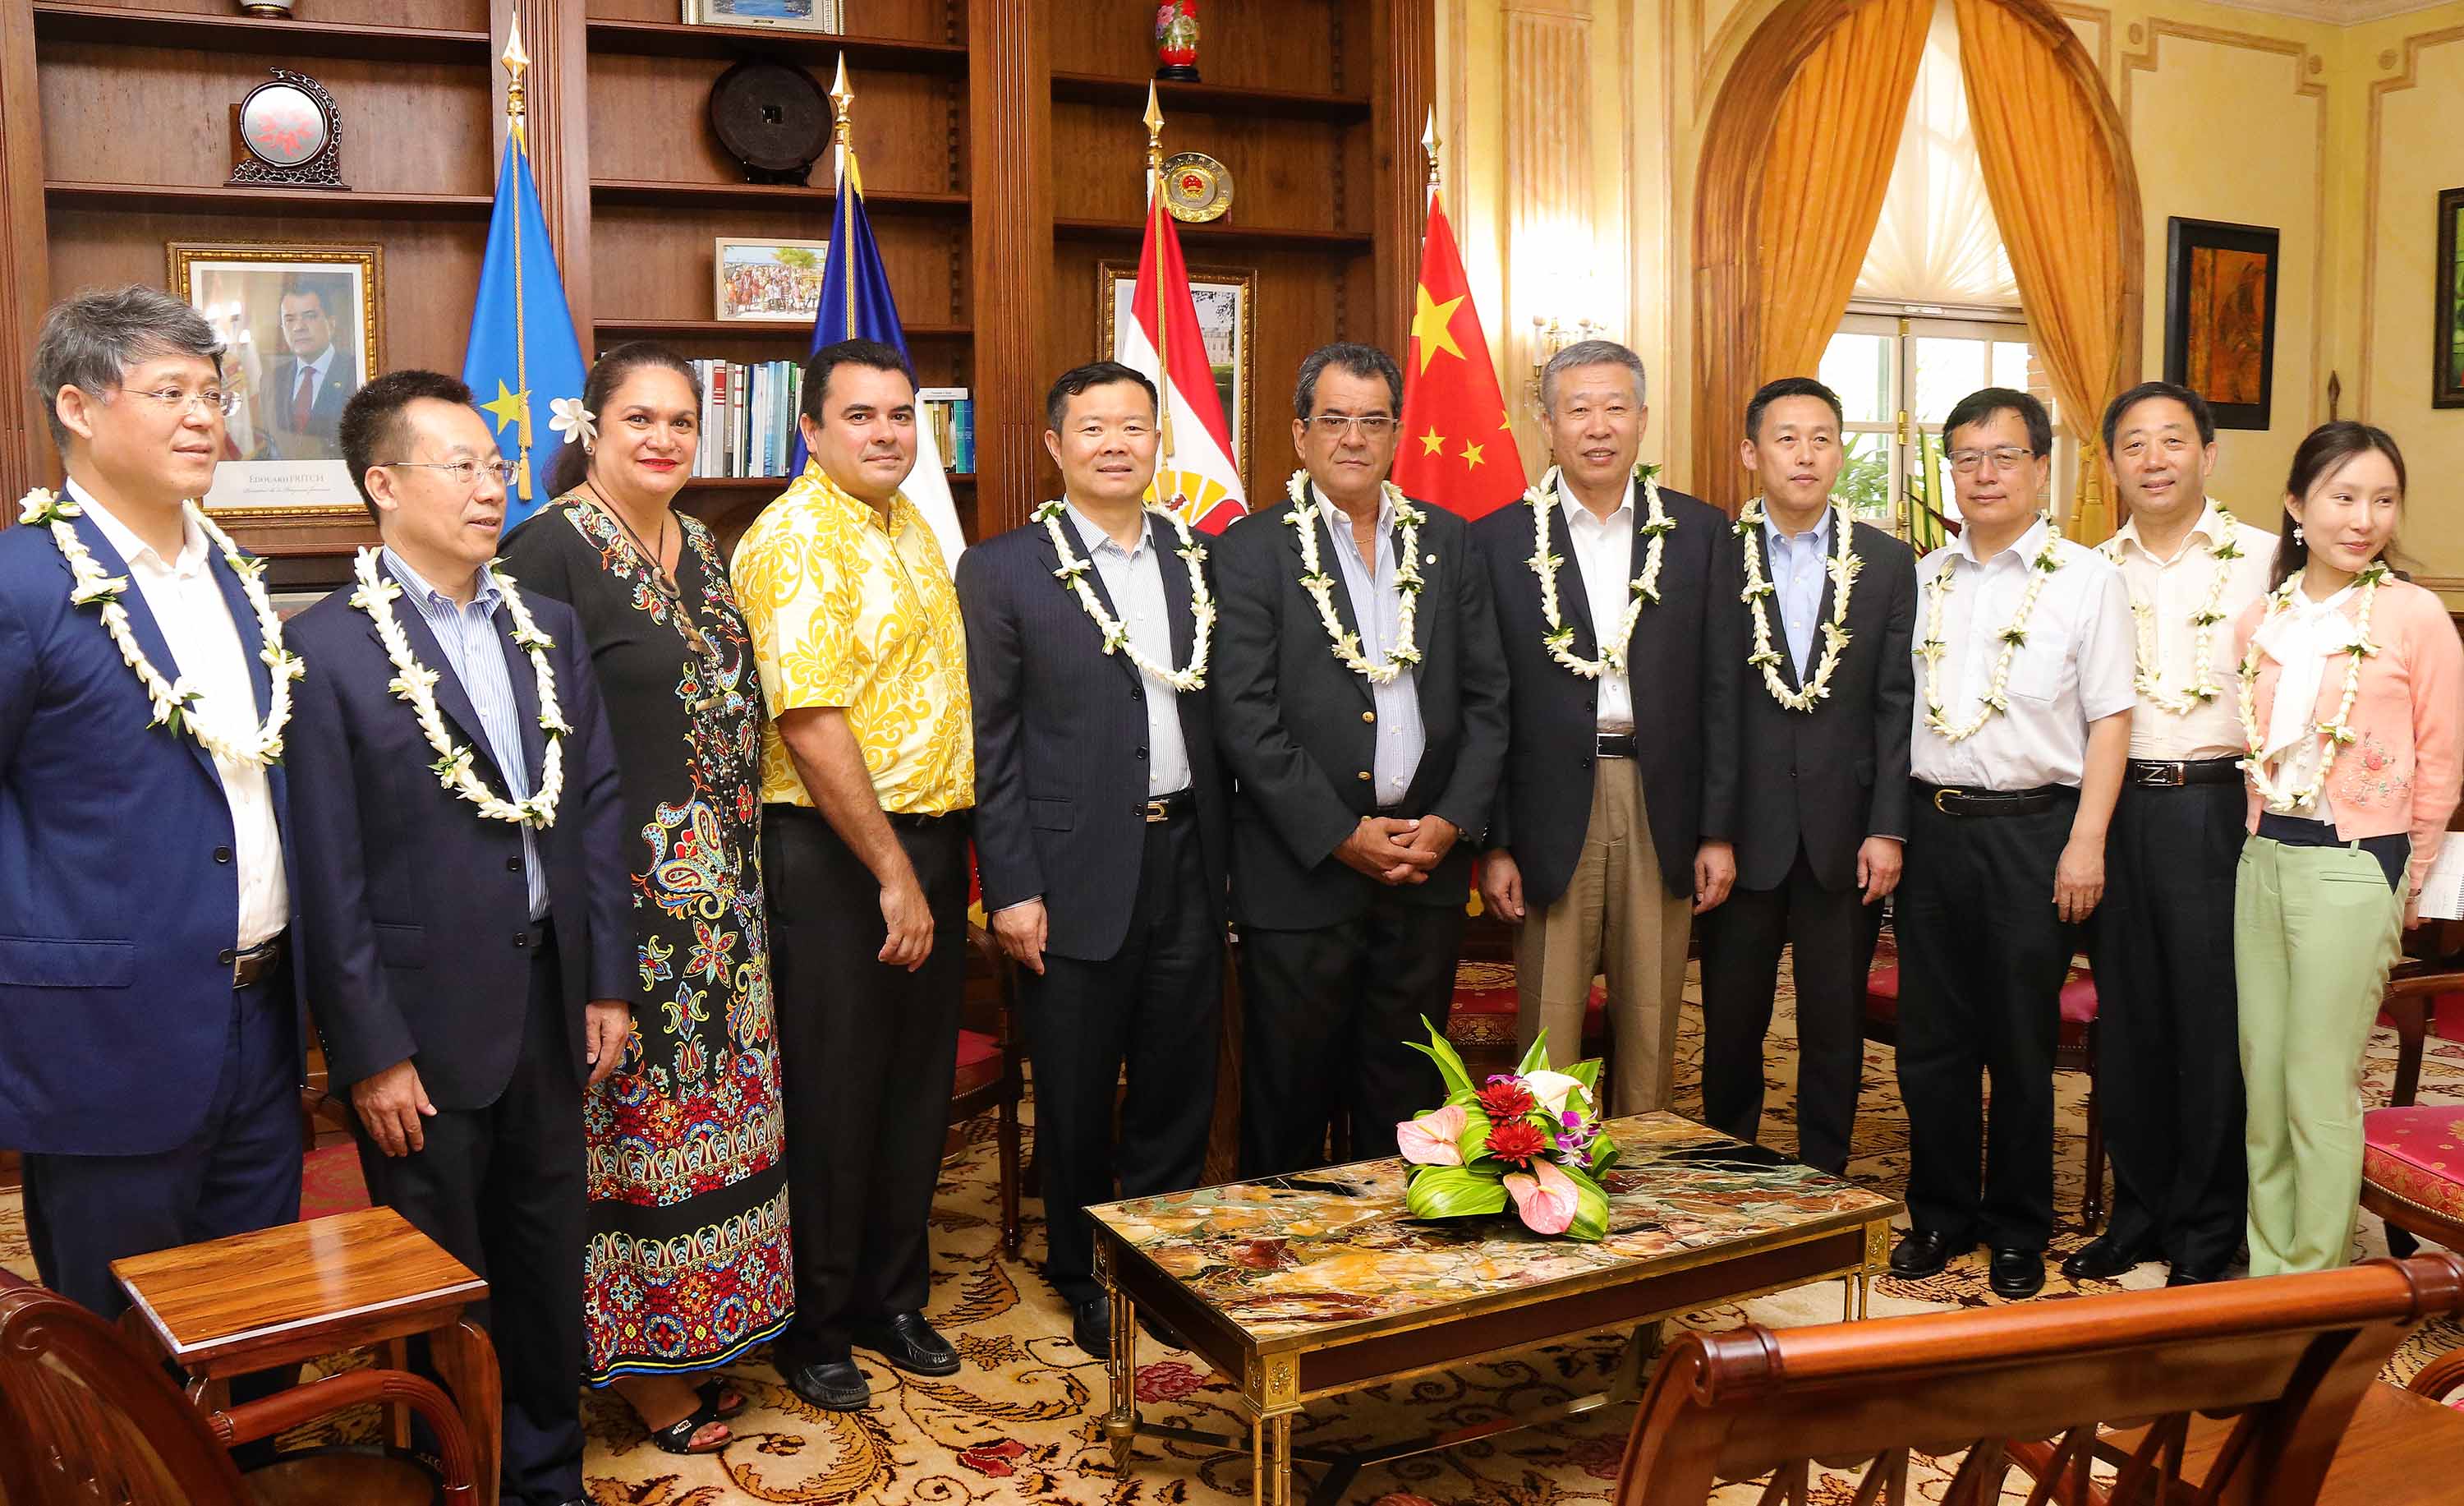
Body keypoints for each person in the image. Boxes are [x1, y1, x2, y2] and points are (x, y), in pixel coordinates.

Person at [287, 370, 634, 1506]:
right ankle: (456, 1471)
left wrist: (608, 982)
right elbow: (327, 875)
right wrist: (368, 1049)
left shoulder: (548, 626)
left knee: (543, 1253)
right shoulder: (327, 649)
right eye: (462, 467)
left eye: (497, 465)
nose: (493, 487)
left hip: (550, 1000)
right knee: (439, 1273)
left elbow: (595, 810)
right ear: (383, 484)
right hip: (420, 1028)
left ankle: (545, 1469)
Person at [499, 343, 788, 1453]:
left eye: (680, 421)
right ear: (595, 429)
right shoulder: (545, 550)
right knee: (627, 1134)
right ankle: (637, 1365)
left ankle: (711, 1327)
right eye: (639, 420)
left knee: (721, 1124)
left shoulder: (705, 543)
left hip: (727, 906)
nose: (663, 439)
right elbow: (528, 750)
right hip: (624, 907)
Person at [0, 285, 301, 1319]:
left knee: (256, 1315)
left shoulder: (239, 578)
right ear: (79, 410)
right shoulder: (23, 586)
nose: (203, 417)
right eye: (168, 391)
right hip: (103, 1036)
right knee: (118, 1347)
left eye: (212, 392)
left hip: (263, 1021)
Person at [956, 361, 1229, 1360]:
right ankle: (1083, 1268)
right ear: (1055, 446)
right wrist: (1013, 888)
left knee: (1174, 1076)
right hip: (1069, 874)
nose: (1116, 444)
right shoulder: (1001, 569)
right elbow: (992, 741)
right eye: (1094, 428)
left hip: (1191, 855)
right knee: (1073, 1086)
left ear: (1160, 444)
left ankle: (1154, 1255)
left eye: (1135, 428)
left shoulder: (1200, 559)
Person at [732, 338, 973, 1412]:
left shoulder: (910, 520)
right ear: (812, 431)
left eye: (899, 415)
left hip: (926, 842)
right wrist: (891, 873)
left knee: (911, 1089)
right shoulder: (794, 540)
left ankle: (890, 1295)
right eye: (862, 416)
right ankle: (815, 1323)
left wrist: (926, 865)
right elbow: (812, 721)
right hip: (839, 855)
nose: (886, 433)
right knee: (832, 1096)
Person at [1213, 341, 1509, 1173]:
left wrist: (1452, 822)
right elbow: (1244, 716)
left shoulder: (1450, 543)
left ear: (1396, 434)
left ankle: (1396, 1278)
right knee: (1290, 1097)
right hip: (1301, 872)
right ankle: (1285, 1277)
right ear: (1300, 434)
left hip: (1427, 870)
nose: (1353, 437)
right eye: (1334, 419)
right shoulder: (1250, 549)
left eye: (1372, 420)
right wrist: (1341, 831)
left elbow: (1491, 701)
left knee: (1408, 1099)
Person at [1889, 387, 2132, 1301]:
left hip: (2037, 833)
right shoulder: (1919, 581)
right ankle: (1940, 1213)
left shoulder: (2085, 580)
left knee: (2023, 1044)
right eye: (1966, 459)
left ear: (2041, 467)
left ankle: (2019, 1226)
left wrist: (2087, 843)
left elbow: (2111, 719)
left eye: (2003, 457)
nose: (1983, 475)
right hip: (1932, 828)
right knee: (1932, 1042)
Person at [1472, 339, 1740, 1117]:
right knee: (1547, 1030)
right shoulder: (1496, 540)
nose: (1599, 426)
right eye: (1579, 408)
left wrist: (1716, 830)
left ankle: (1642, 1191)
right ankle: (1541, 1184)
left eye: (1616, 407)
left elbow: (1722, 692)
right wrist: (1497, 842)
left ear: (1644, 419)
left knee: (1653, 1019)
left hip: (1662, 801)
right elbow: (1489, 704)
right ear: (1546, 424)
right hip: (1549, 806)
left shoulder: (1698, 533)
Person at [2232, 421, 2462, 1277]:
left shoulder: (2412, 614)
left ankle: (2313, 1288)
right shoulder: (2264, 617)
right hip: (2263, 858)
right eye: (2343, 496)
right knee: (2263, 1082)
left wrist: (2410, 881)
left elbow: (2441, 757)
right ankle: (2269, 1274)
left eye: (2382, 499)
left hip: (2355, 862)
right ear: (2297, 506)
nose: (2363, 517)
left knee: (2317, 1083)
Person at [2062, 382, 2275, 1288]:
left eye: (2173, 441)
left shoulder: (2268, 561)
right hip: (2118, 806)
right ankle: (2137, 1215)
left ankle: (2205, 1230)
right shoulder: (2085, 571)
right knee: (2132, 1022)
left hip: (2221, 809)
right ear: (2110, 465)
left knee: (2212, 1026)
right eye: (2135, 445)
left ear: (2208, 454)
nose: (2154, 459)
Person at [1696, 377, 1915, 1173]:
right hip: (1741, 837)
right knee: (1730, 1023)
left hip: (1844, 835)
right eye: (1787, 438)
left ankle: (1824, 1179)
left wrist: (1887, 825)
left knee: (1833, 1024)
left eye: (1822, 437)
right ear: (1752, 453)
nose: (1806, 454)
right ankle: (1729, 1174)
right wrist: (1709, 829)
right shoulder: (1713, 557)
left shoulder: (1887, 564)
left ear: (1840, 452)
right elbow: (1704, 703)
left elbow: (1897, 704)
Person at [264, 280, 356, 460]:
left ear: (331, 322)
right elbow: (272, 446)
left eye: (310, 316)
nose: (299, 327)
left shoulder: (356, 372)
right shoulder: (271, 379)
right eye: (289, 319)